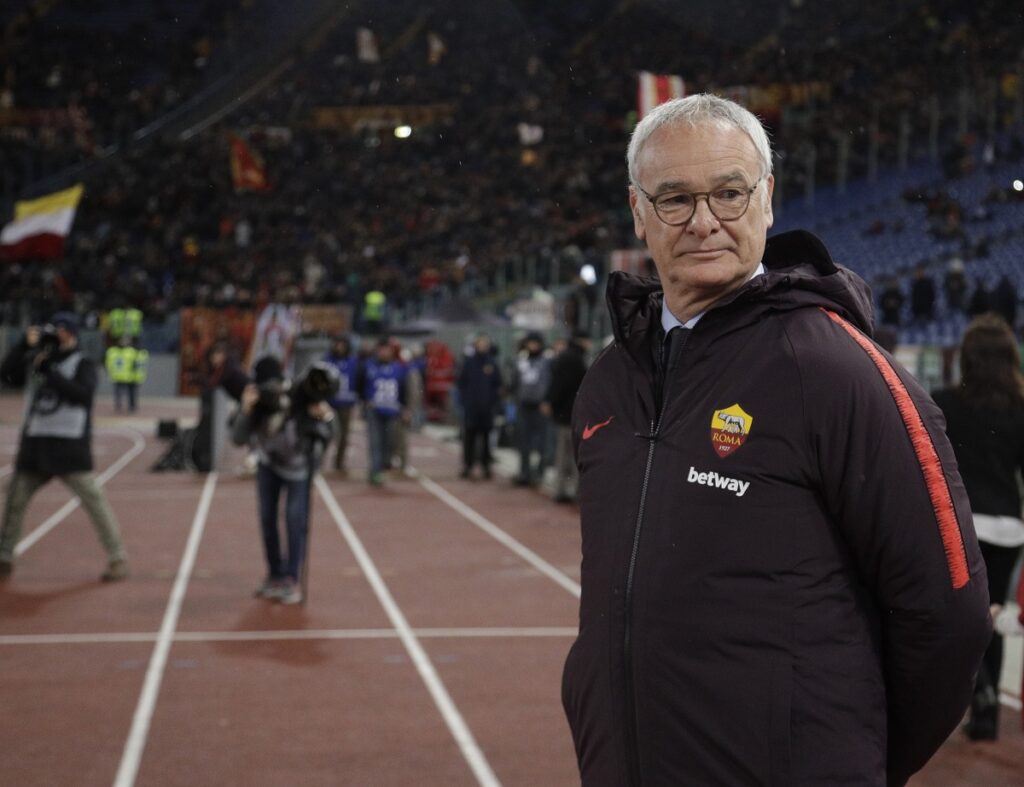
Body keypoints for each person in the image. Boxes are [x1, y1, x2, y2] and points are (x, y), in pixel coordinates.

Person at [561, 94, 991, 786]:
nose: (704, 221)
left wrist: (844, 756)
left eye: (728, 193)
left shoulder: (835, 370)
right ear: (638, 211)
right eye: (673, 198)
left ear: (767, 199)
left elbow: (951, 615)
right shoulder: (608, 384)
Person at [932, 314, 1024, 741]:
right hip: (1009, 528)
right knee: (991, 615)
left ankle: (982, 691)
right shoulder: (1021, 408)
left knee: (961, 618)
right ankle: (986, 719)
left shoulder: (947, 402)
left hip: (962, 524)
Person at [0, 312, 129, 582]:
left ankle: (117, 557)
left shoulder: (83, 363)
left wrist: (52, 373)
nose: (55, 336)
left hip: (70, 447)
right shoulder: (36, 360)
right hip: (35, 446)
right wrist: (23, 345)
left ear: (71, 333)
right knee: (15, 502)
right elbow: (6, 375)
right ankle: (5, 557)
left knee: (94, 501)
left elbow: (83, 396)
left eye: (60, 330)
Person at [230, 356, 336, 604]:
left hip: (299, 469)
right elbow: (237, 438)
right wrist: (246, 409)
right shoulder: (258, 402)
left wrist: (327, 418)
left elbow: (331, 435)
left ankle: (291, 578)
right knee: (267, 517)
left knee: (294, 519)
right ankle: (274, 574)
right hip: (269, 463)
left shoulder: (303, 397)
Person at [542, 329, 591, 504]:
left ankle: (562, 488)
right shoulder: (576, 359)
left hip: (565, 412)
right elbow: (562, 384)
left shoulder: (567, 357)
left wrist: (550, 401)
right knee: (571, 454)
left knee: (564, 453)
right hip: (572, 412)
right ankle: (570, 490)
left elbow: (557, 383)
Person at [358, 338, 409, 486]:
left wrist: (404, 408)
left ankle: (382, 466)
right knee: (375, 442)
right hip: (374, 411)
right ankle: (375, 471)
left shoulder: (398, 368)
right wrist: (364, 401)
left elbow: (403, 389)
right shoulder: (368, 366)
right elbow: (359, 385)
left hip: (392, 411)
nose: (385, 352)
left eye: (387, 349)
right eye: (382, 349)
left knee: (389, 442)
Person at [456, 333, 503, 480]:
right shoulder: (469, 362)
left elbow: (498, 385)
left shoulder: (492, 363)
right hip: (472, 407)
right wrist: (466, 401)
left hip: (487, 408)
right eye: (480, 343)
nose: (483, 345)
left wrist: (492, 400)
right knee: (469, 438)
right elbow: (461, 383)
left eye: (485, 343)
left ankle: (486, 465)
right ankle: (468, 465)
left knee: (486, 438)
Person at [512, 331, 551, 486]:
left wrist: (547, 401)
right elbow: (515, 382)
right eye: (530, 343)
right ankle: (524, 472)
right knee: (523, 440)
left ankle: (539, 472)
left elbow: (550, 383)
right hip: (524, 405)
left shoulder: (547, 362)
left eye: (535, 343)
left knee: (542, 442)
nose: (533, 346)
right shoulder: (521, 361)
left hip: (540, 406)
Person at [322, 334, 359, 475]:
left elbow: (359, 379)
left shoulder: (353, 362)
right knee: (325, 432)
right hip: (330, 402)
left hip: (346, 402)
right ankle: (320, 461)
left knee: (344, 435)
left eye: (342, 344)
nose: (339, 347)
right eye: (337, 344)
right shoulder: (327, 361)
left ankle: (339, 462)